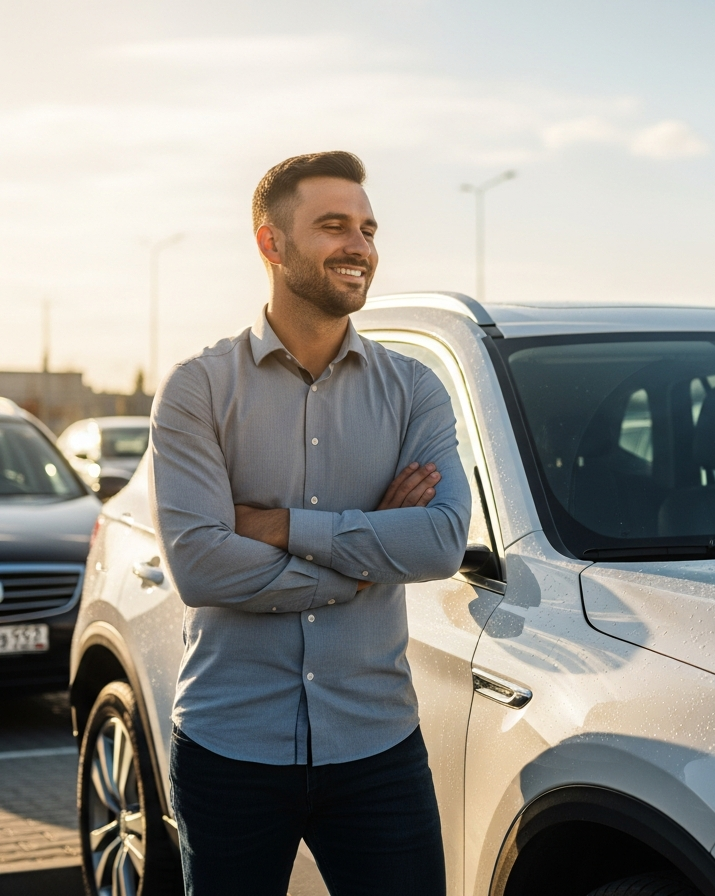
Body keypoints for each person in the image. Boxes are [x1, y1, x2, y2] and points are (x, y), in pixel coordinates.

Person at [150, 150, 469, 896]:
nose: (359, 245)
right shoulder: (198, 390)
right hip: (230, 750)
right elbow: (200, 565)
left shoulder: (415, 389)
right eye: (333, 225)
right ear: (271, 242)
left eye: (367, 227)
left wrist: (278, 526)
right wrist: (368, 557)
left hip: (378, 748)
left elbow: (442, 539)